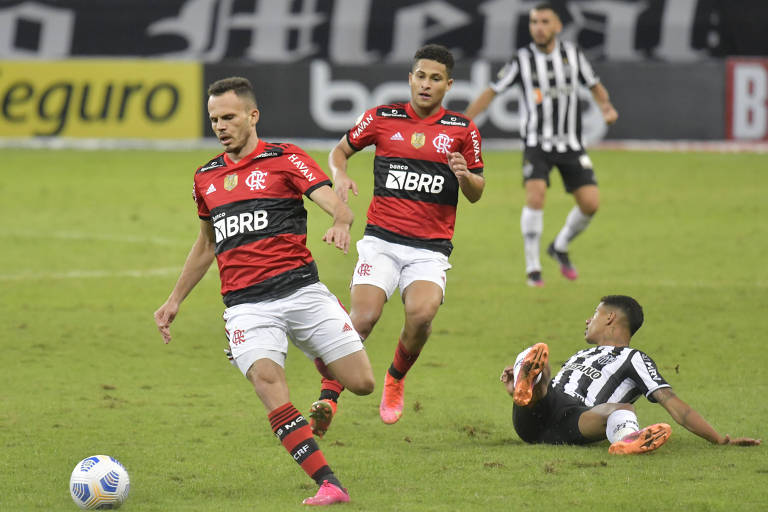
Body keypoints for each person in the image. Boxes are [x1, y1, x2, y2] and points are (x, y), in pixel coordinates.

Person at [153, 76, 376, 506]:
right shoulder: (206, 178)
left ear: (253, 116)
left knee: (362, 382)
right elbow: (207, 243)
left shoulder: (285, 158)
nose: (220, 126)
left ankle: (324, 369)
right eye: (214, 119)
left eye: (229, 117)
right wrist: (174, 299)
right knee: (267, 381)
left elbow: (335, 203)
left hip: (302, 293)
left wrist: (341, 223)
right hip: (246, 307)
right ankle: (329, 484)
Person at [307, 43, 486, 436]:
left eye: (435, 79)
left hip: (429, 249)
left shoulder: (461, 130)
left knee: (421, 316)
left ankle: (395, 377)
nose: (426, 84)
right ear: (410, 78)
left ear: (448, 85)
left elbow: (476, 191)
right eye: (420, 76)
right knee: (365, 317)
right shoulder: (381, 118)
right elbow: (340, 150)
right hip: (382, 241)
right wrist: (340, 174)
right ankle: (328, 397)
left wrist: (464, 176)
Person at [465, 2, 618, 287]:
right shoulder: (521, 59)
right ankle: (533, 268)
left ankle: (559, 246)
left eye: (545, 21)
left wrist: (606, 108)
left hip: (571, 144)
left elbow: (594, 84)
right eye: (534, 21)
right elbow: (491, 92)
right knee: (535, 198)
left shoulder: (573, 55)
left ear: (558, 26)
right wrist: (464, 122)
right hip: (537, 144)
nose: (538, 27)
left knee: (591, 204)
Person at [501, 295, 762, 453]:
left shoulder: (634, 358)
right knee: (542, 366)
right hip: (536, 415)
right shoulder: (580, 354)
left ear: (610, 318)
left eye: (594, 314)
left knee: (621, 408)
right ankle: (528, 385)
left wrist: (718, 439)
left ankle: (627, 442)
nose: (587, 320)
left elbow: (672, 403)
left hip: (576, 421)